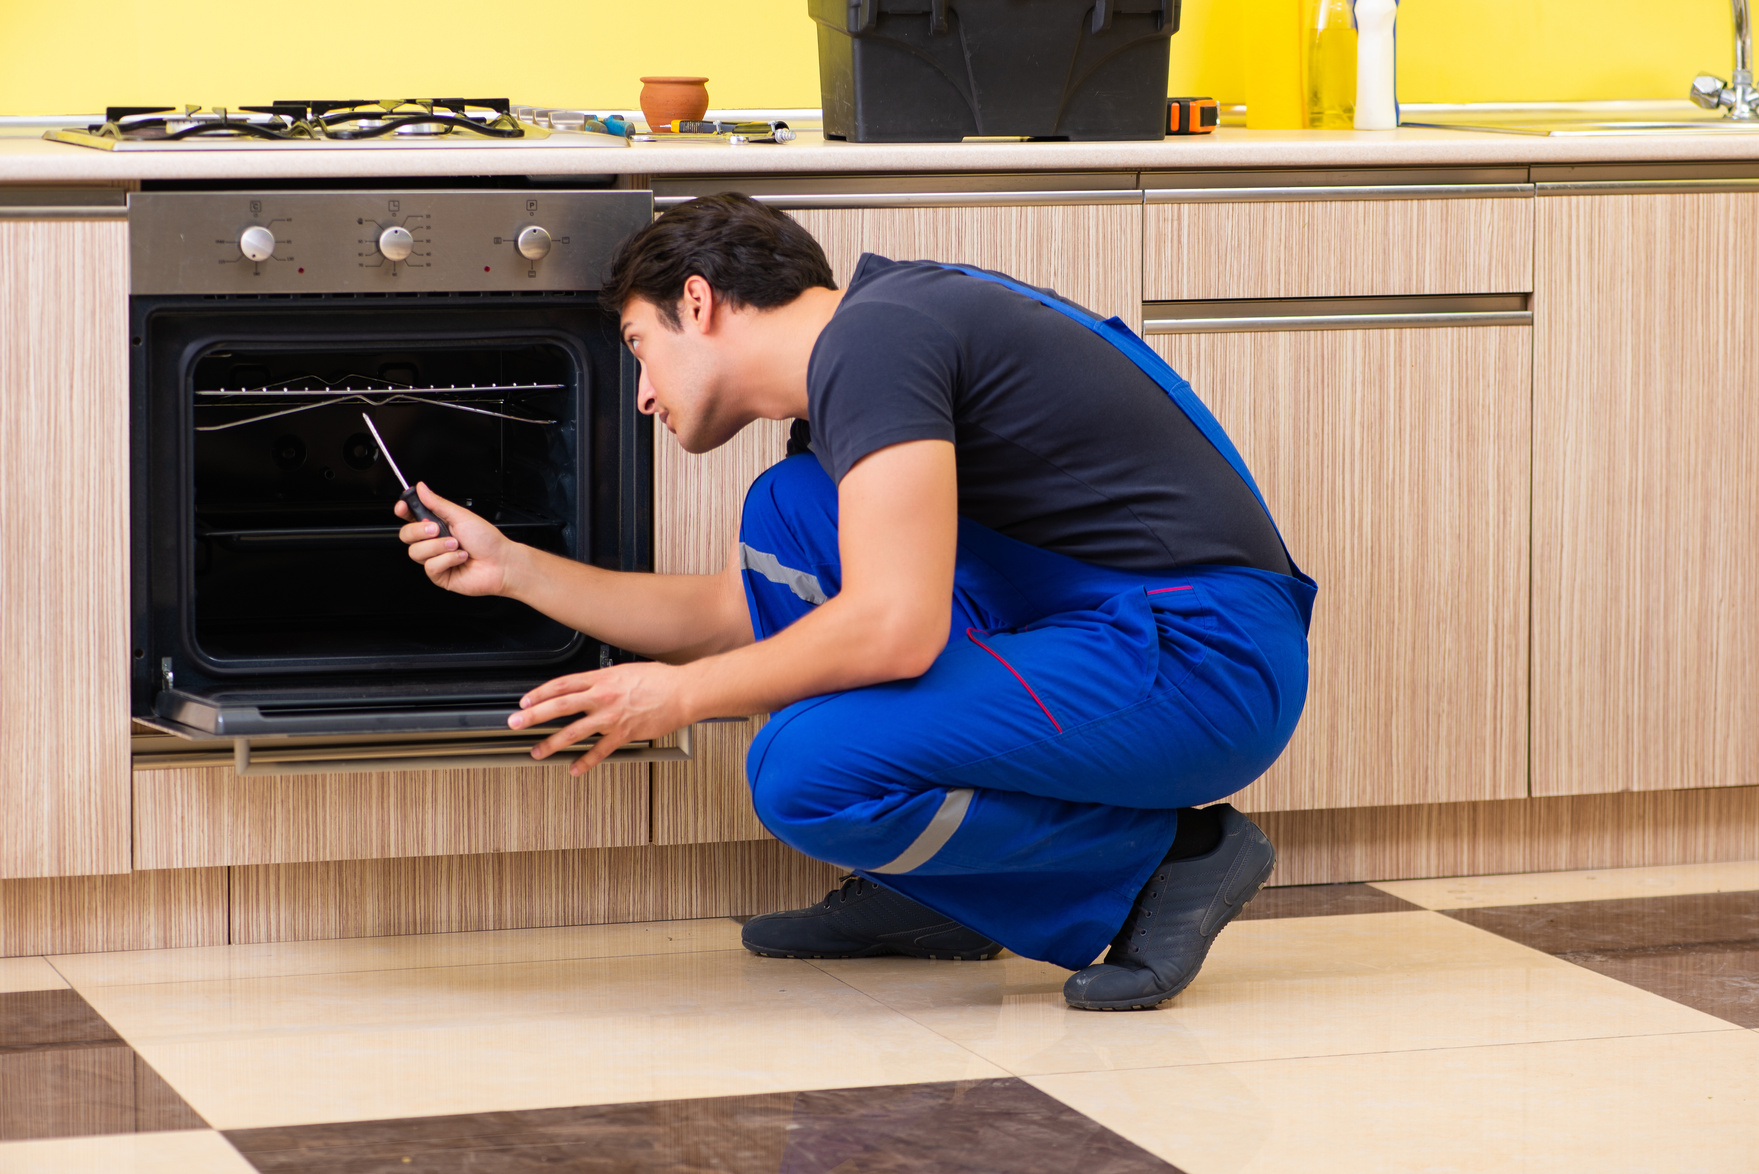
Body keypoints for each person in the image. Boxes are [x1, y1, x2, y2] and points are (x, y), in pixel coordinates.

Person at [395, 193, 1316, 1011]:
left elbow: (893, 627)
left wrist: (671, 698)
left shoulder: (878, 342)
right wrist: (515, 567)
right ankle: (941, 895)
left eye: (638, 347)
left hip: (1199, 659)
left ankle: (1171, 859)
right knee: (791, 507)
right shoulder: (870, 349)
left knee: (804, 770)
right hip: (1120, 634)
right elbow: (736, 617)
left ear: (698, 302)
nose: (640, 395)